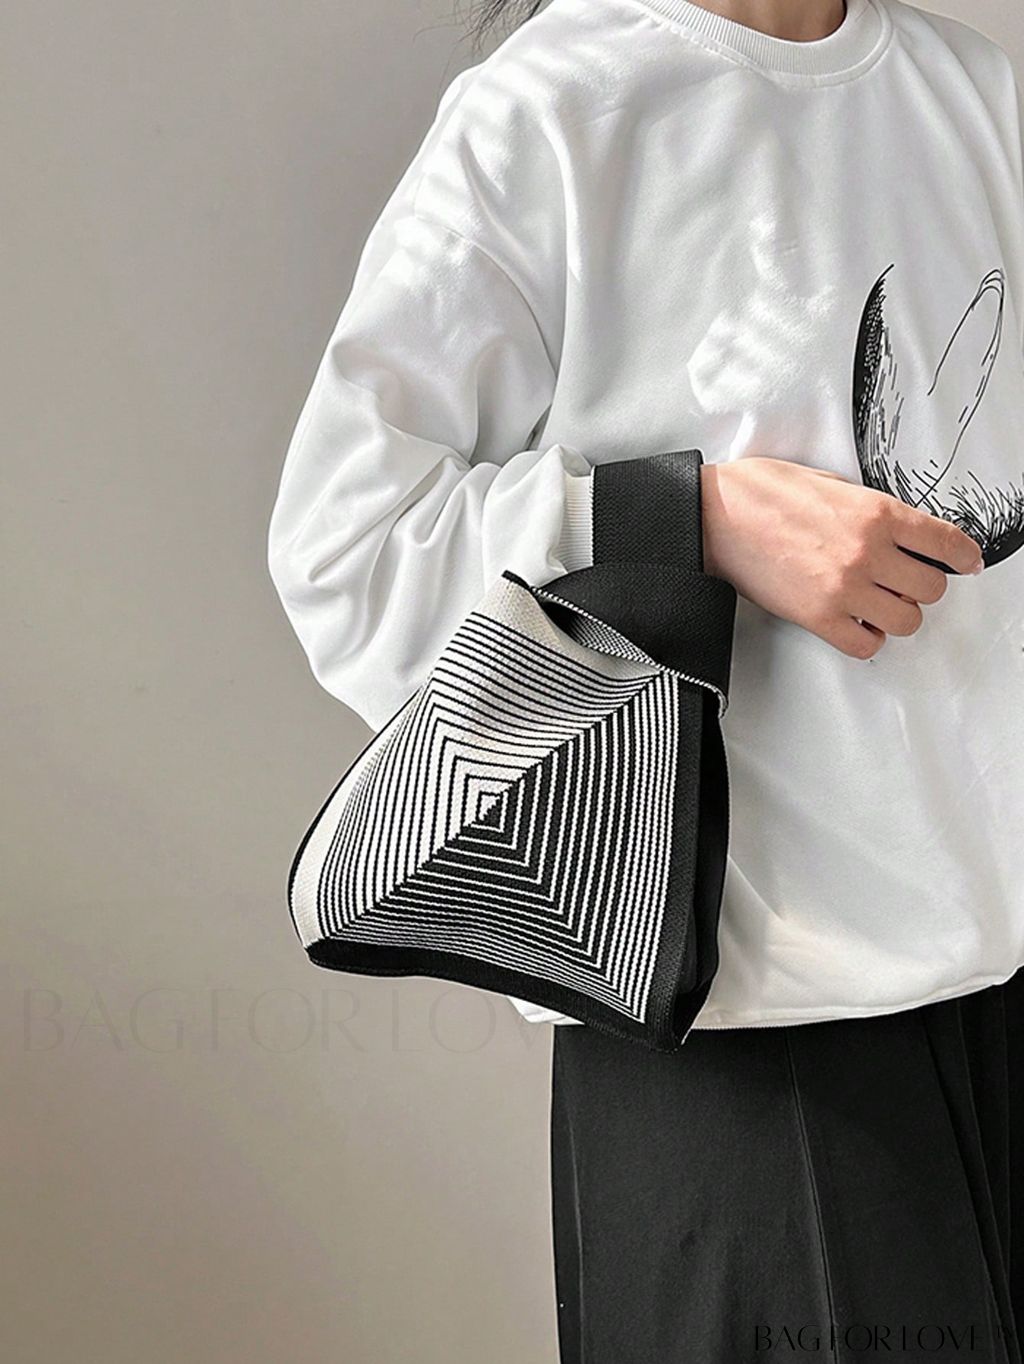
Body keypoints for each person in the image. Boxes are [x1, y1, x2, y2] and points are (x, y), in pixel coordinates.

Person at [267, 0, 1024, 1358]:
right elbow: (348, 550)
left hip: (1003, 982)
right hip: (751, 1052)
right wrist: (692, 517)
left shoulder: (979, 91)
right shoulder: (554, 111)